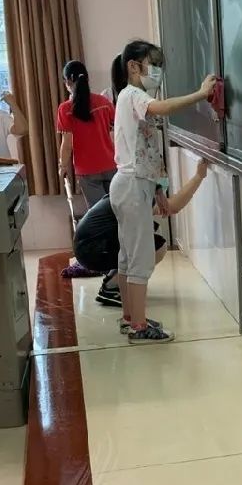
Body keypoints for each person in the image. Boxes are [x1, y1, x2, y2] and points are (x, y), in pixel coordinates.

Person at [109, 39, 215, 344]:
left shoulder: (130, 97)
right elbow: (163, 108)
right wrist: (200, 94)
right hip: (132, 185)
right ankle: (139, 327)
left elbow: (145, 148)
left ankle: (130, 318)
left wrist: (157, 187)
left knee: (128, 258)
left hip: (134, 184)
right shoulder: (133, 95)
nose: (157, 71)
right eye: (153, 64)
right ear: (133, 66)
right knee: (140, 260)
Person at [73, 162, 211, 313]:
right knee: (155, 247)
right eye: (161, 173)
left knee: (150, 234)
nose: (164, 177)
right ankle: (111, 287)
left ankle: (115, 281)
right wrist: (198, 176)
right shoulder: (138, 192)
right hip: (91, 249)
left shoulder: (129, 186)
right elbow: (172, 207)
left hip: (90, 246)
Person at [57, 59, 117, 208]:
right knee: (117, 209)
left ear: (68, 82)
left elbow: (67, 144)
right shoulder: (104, 102)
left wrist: (62, 166)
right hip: (110, 164)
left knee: (99, 213)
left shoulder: (65, 109)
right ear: (87, 79)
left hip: (87, 170)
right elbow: (116, 132)